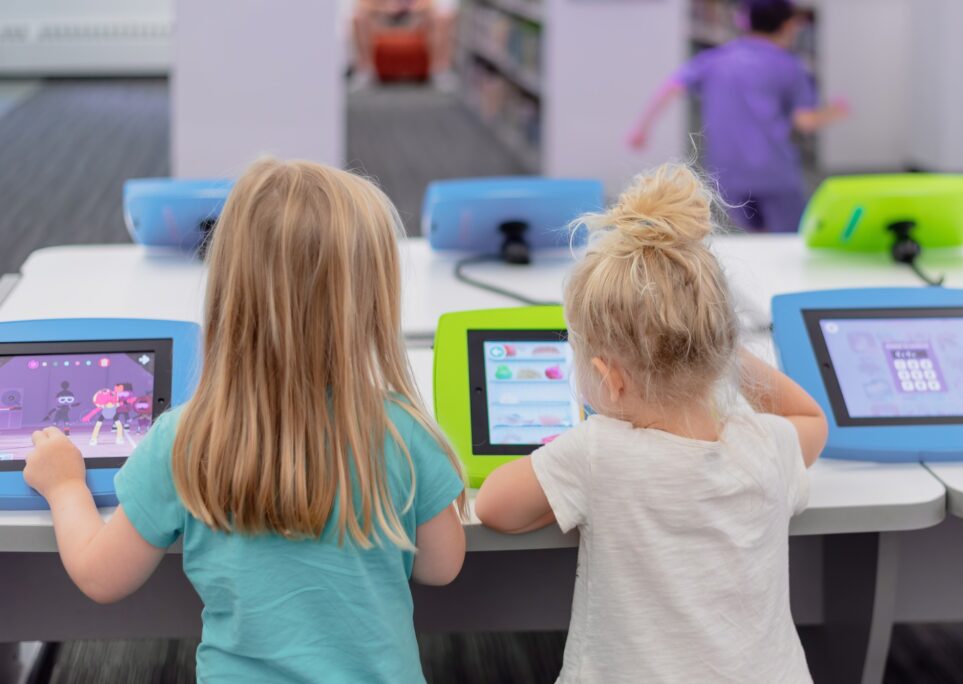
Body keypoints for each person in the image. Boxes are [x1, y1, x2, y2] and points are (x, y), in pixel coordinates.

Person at [23, 159, 468, 682]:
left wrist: (64, 484)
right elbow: (441, 567)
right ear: (371, 304)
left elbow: (100, 576)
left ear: (229, 294)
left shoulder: (187, 439)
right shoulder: (401, 431)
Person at [475, 163, 828, 683]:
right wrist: (720, 352)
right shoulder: (767, 443)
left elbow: (495, 506)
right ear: (721, 346)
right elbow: (810, 417)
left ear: (608, 378)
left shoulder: (599, 453)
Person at [629, 0, 849, 232]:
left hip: (727, 172)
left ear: (744, 21)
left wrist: (642, 129)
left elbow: (671, 87)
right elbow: (805, 121)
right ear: (788, 25)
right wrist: (836, 111)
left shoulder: (715, 58)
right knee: (788, 239)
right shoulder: (789, 66)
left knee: (749, 238)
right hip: (774, 170)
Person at [352, 0, 459, 92]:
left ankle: (440, 71)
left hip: (414, 19)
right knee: (359, 17)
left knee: (443, 17)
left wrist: (412, 9)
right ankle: (365, 71)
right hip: (383, 20)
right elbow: (364, 4)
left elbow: (429, 4)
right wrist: (387, 8)